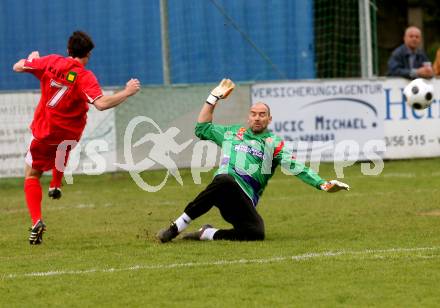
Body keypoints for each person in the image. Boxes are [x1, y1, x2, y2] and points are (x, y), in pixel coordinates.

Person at [156, 79, 350, 243]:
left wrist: (323, 184)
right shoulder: (232, 133)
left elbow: (297, 167)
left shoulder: (274, 144)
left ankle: (206, 233)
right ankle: (177, 226)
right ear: (248, 117)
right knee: (225, 179)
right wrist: (212, 98)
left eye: (262, 115)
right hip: (223, 186)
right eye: (253, 114)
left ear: (269, 119)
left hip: (243, 201)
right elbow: (202, 128)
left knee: (256, 233)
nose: (257, 118)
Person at [13, 30, 141, 245]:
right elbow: (101, 104)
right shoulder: (84, 76)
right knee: (63, 147)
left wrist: (33, 60)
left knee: (31, 175)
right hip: (70, 133)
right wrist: (127, 91)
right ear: (88, 54)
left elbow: (17, 66)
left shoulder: (51, 61)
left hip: (46, 131)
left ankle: (36, 221)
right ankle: (55, 184)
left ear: (68, 50)